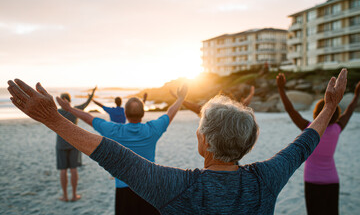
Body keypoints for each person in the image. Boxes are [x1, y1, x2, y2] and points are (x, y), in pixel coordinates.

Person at [7, 68, 347, 214]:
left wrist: (53, 118)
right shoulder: (267, 179)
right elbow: (303, 144)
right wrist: (330, 107)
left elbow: (113, 156)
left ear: (203, 143)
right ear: (247, 144)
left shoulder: (178, 186)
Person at [60, 87, 186, 214]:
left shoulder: (115, 131)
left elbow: (89, 118)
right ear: (143, 114)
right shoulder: (152, 129)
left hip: (124, 190)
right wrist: (180, 98)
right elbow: (170, 113)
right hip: (151, 188)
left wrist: (69, 109)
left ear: (125, 114)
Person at [276, 73, 360, 215]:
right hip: (332, 180)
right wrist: (357, 95)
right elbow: (349, 110)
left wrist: (281, 89)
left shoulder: (310, 129)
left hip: (312, 180)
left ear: (316, 113)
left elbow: (291, 110)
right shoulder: (337, 128)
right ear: (335, 114)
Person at [56, 87, 96, 202]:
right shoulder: (75, 110)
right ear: (69, 101)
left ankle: (65, 196)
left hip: (61, 145)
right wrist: (92, 94)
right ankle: (74, 195)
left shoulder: (58, 112)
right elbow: (86, 103)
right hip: (74, 144)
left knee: (63, 170)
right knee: (73, 169)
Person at [170, 85, 255, 116]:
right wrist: (251, 94)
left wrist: (180, 99)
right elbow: (244, 104)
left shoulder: (210, 111)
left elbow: (193, 107)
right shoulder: (234, 111)